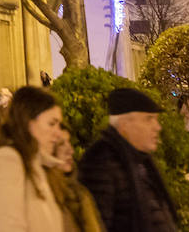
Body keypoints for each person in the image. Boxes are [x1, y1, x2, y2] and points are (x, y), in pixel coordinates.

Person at [0, 84, 68, 232]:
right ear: (29, 123)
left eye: (59, 125)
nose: (58, 133)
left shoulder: (38, 162)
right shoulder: (6, 162)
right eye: (51, 124)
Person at [77, 87, 179, 232]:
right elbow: (95, 224)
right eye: (148, 119)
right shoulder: (101, 161)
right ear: (125, 124)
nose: (158, 127)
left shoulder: (140, 160)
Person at [44, 129, 105, 232]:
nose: (70, 151)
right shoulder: (45, 195)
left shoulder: (80, 194)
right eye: (61, 144)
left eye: (69, 142)